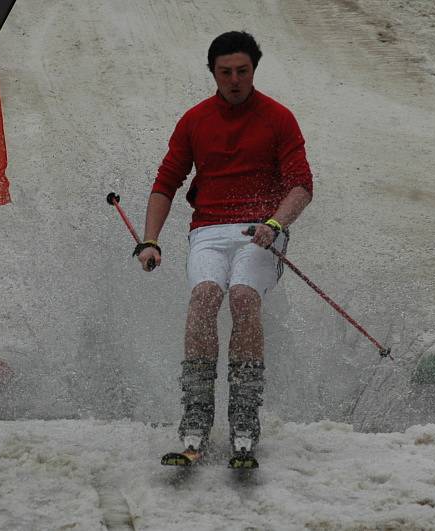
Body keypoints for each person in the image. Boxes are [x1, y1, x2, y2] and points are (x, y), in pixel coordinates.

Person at [136, 31, 313, 457]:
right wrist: (149, 240)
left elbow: (301, 186)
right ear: (213, 73)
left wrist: (275, 222)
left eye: (243, 71)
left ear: (254, 70)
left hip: (261, 230)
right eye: (225, 72)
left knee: (242, 298)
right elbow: (165, 184)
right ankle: (196, 416)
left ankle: (244, 417)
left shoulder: (278, 118)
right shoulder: (195, 120)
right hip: (209, 231)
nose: (234, 80)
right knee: (204, 297)